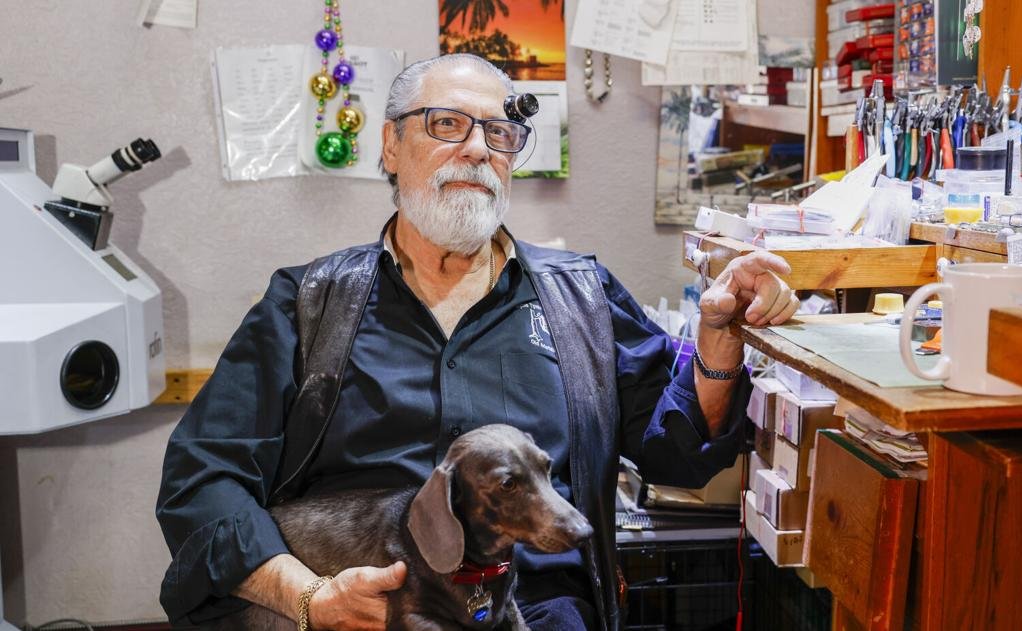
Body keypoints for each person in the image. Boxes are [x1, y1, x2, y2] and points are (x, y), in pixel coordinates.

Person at [155, 53, 799, 631]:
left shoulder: (581, 297)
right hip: (358, 608)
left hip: (533, 609)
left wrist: (720, 338)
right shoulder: (308, 305)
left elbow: (677, 457)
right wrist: (309, 599)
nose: (477, 149)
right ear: (391, 145)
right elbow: (202, 480)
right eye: (446, 124)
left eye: (499, 132)